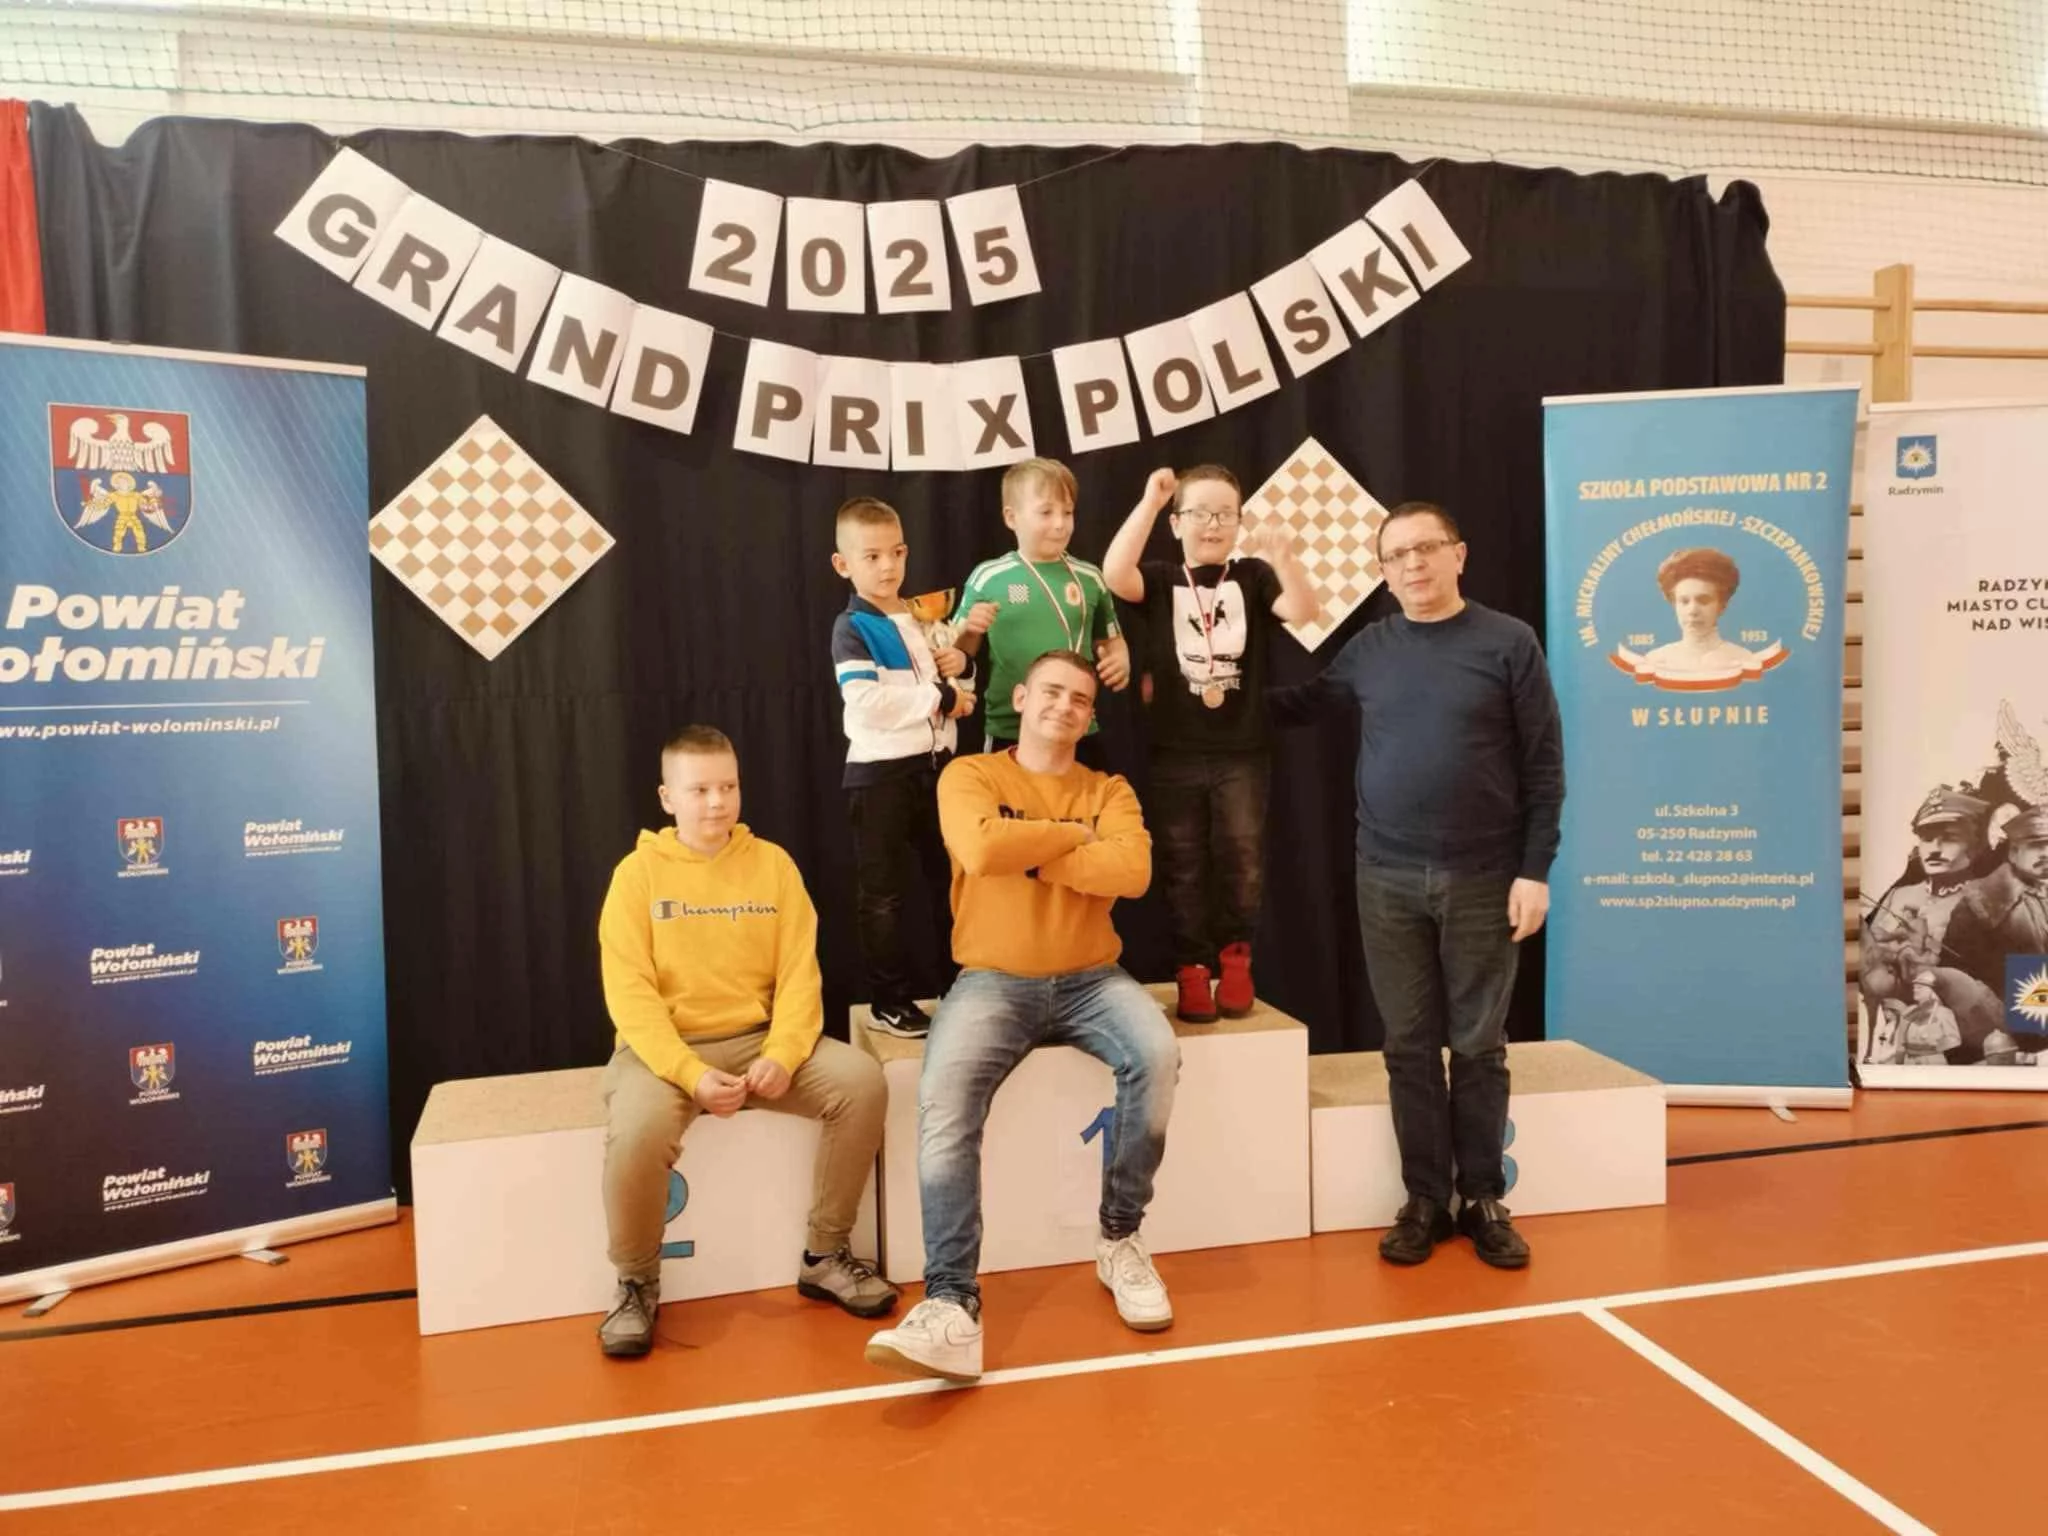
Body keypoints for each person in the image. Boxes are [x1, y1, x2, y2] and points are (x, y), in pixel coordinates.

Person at [864, 650, 1177, 1383]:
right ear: (1022, 697)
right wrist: (1074, 837)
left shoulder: (1110, 788)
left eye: (1079, 699)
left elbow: (1132, 872)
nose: (1064, 706)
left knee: (1158, 1054)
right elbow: (978, 847)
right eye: (1052, 692)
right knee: (944, 1100)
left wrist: (1026, 850)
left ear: (1089, 717)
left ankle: (1120, 1239)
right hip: (992, 980)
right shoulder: (969, 776)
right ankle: (951, 1304)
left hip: (1093, 978)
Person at [1274, 501, 1563, 1270]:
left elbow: (1544, 763)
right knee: (1406, 1045)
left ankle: (1484, 1198)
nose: (1412, 565)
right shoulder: (1371, 648)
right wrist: (1185, 693)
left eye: (1425, 548)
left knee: (1478, 1046)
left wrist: (1535, 869)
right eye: (1396, 556)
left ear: (1458, 554)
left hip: (1486, 877)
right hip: (1386, 876)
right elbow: (1297, 707)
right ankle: (1425, 1199)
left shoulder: (1509, 642)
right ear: (1382, 572)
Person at [595, 725, 897, 1358]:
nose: (717, 802)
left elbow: (800, 976)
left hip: (758, 1040)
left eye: (728, 786)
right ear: (667, 797)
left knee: (862, 1082)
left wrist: (782, 1055)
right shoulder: (635, 876)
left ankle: (825, 1253)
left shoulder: (774, 865)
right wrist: (690, 1074)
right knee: (638, 1130)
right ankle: (636, 1282)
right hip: (661, 1053)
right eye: (699, 789)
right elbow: (629, 996)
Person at [1101, 463, 1317, 1022]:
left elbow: (1303, 611)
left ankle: (1236, 958)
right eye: (1200, 513)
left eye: (1225, 514)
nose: (1213, 524)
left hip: (1242, 752)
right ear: (1177, 524)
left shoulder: (1253, 576)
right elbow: (1114, 573)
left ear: (1240, 523)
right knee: (1183, 864)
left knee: (1244, 860)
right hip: (1174, 751)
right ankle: (1192, 968)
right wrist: (1151, 502)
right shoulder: (1161, 578)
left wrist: (1284, 558)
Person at [830, 495, 976, 1040]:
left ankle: (959, 988)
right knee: (883, 897)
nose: (887, 566)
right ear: (843, 564)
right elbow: (865, 702)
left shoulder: (920, 616)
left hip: (938, 770)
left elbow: (952, 684)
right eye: (871, 557)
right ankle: (888, 1001)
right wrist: (941, 697)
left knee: (950, 883)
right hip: (881, 776)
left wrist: (962, 668)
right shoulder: (852, 626)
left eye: (895, 553)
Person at [953, 457, 1131, 769]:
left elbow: (1110, 641)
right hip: (1010, 728)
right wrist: (969, 630)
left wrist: (1121, 661)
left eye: (1068, 512)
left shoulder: (1090, 577)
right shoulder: (988, 577)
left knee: (1085, 800)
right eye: (1046, 512)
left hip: (1077, 725)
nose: (1060, 523)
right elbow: (958, 655)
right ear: (1011, 517)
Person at [1943, 805, 2048, 1048]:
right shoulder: (1978, 903)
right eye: (2036, 845)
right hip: (2014, 1035)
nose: (2045, 853)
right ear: (2014, 851)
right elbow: (1957, 976)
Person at [1863, 788, 1991, 976]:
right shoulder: (1898, 895)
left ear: (1976, 846)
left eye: (1949, 838)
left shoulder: (1986, 902)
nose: (1934, 849)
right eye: (1927, 839)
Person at [1635, 547, 1763, 682]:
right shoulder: (1656, 661)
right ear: (1675, 605)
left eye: (1704, 601)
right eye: (1684, 601)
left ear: (1722, 605)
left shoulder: (1743, 659)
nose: (1693, 611)